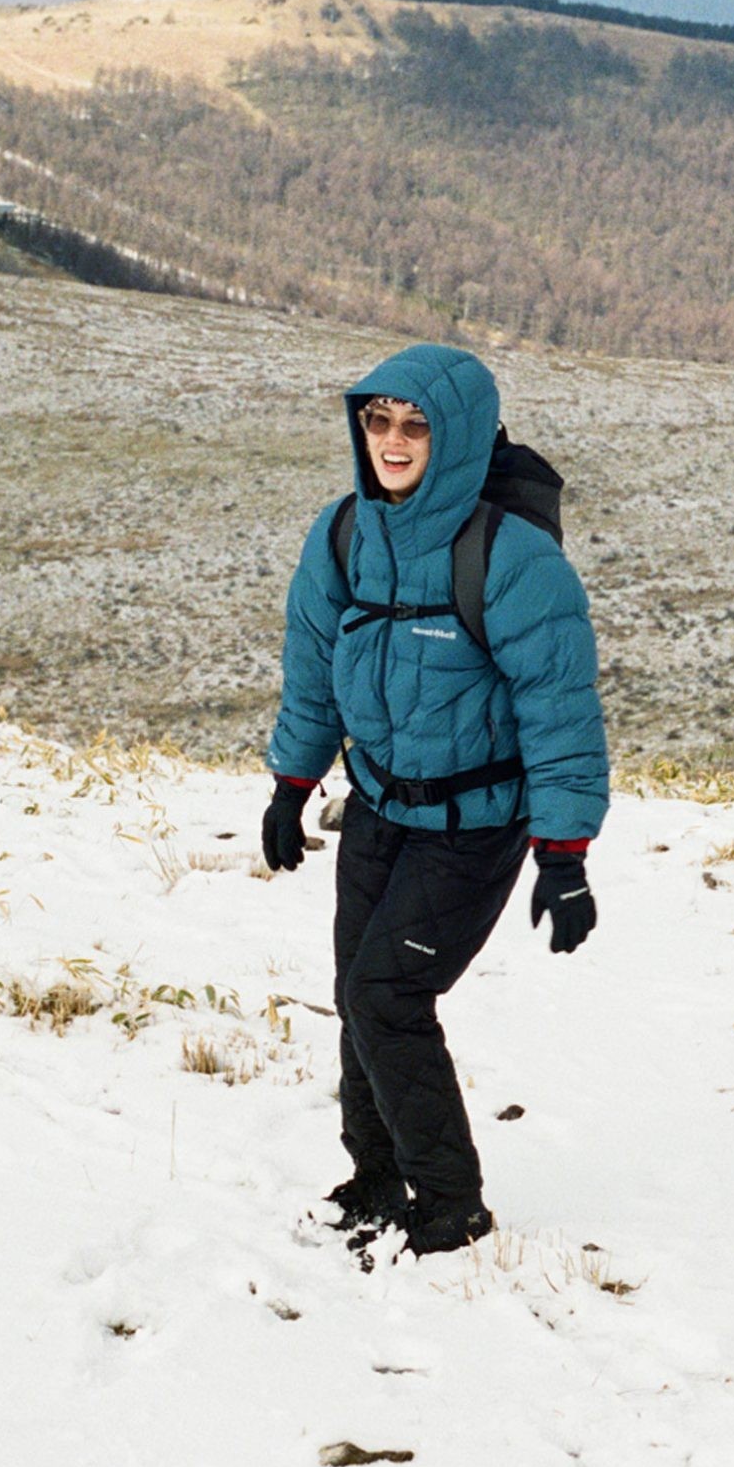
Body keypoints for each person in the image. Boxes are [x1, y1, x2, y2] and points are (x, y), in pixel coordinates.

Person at [259, 343, 608, 1257]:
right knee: (355, 993)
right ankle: (375, 1179)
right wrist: (292, 783)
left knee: (385, 994)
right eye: (379, 421)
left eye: (416, 425)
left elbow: (561, 712)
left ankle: (452, 1202)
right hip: (378, 807)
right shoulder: (343, 534)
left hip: (473, 825)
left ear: (457, 439)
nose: (394, 441)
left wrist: (563, 857)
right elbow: (312, 673)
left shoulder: (513, 559)